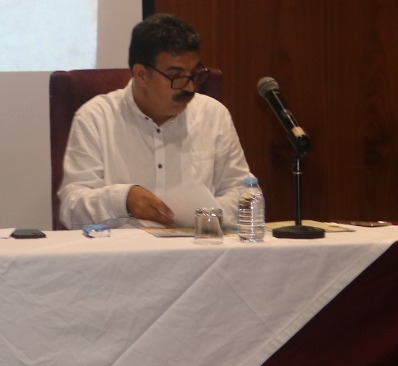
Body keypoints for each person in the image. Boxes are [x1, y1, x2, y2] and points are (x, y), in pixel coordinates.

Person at [58, 13, 253, 229]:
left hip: (197, 246)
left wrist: (203, 214)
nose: (190, 87)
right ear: (141, 75)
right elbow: (71, 207)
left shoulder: (213, 115)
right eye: (176, 76)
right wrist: (123, 200)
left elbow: (244, 193)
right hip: (124, 248)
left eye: (194, 74)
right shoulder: (95, 118)